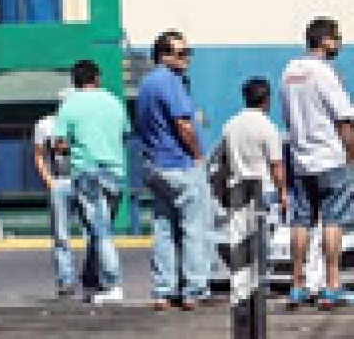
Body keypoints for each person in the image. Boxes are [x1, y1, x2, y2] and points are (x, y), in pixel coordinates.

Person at [280, 17, 354, 310]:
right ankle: (331, 285)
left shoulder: (289, 72)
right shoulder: (325, 73)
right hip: (330, 158)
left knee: (301, 221)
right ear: (325, 41)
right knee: (333, 220)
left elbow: (288, 116)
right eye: (337, 38)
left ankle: (297, 285)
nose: (339, 44)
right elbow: (344, 120)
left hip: (301, 159)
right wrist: (351, 155)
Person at [136, 31, 208, 311]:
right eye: (181, 53)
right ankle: (193, 289)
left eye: (188, 53)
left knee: (164, 228)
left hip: (154, 164)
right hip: (179, 163)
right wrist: (197, 154)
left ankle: (163, 290)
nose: (186, 58)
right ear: (163, 56)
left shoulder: (146, 84)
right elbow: (183, 124)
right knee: (193, 228)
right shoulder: (170, 81)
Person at [55, 60, 128, 304]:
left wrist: (71, 148)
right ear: (96, 78)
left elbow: (60, 143)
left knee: (101, 231)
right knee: (103, 229)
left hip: (87, 172)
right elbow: (125, 133)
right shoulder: (114, 101)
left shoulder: (69, 105)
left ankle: (113, 284)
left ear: (74, 81)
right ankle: (92, 279)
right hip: (115, 172)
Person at [221, 78, 288, 212]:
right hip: (264, 191)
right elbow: (276, 166)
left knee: (239, 226)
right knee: (264, 226)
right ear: (267, 100)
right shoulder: (268, 127)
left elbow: (225, 163)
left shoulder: (229, 125)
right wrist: (283, 193)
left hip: (237, 191)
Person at [33, 106, 77, 297]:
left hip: (84, 179)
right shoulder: (45, 124)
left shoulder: (83, 120)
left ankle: (93, 276)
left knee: (94, 231)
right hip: (60, 181)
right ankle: (66, 279)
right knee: (61, 234)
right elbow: (38, 155)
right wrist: (49, 181)